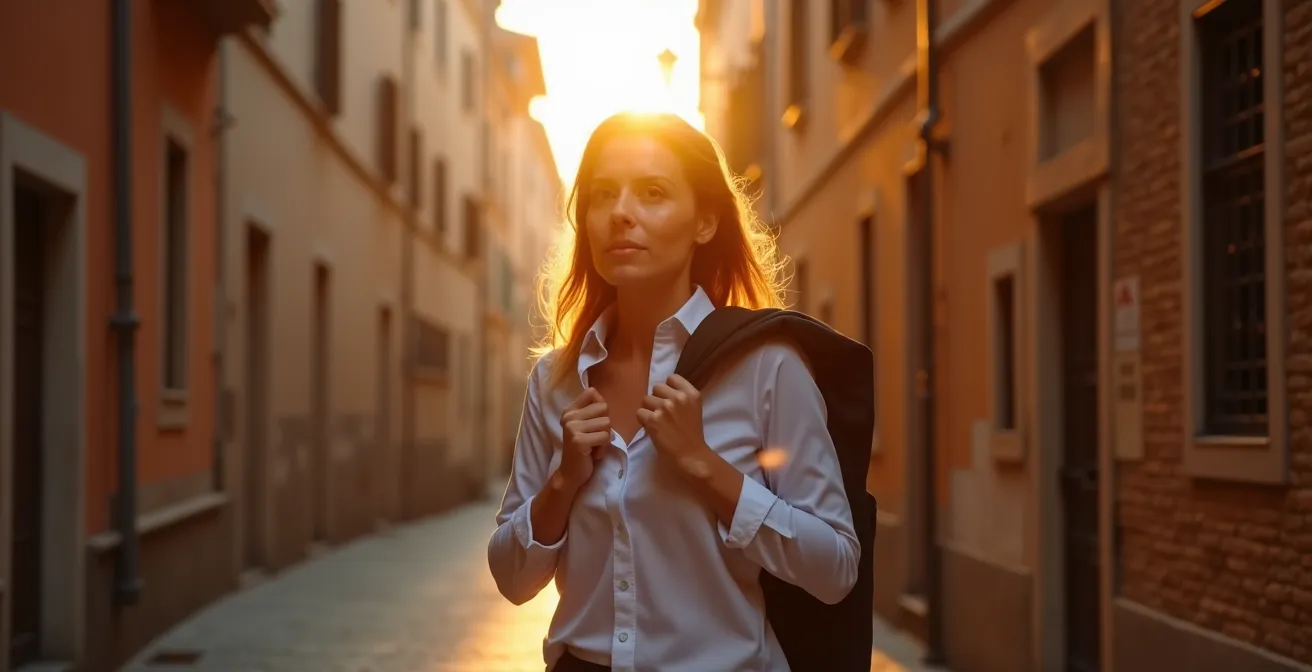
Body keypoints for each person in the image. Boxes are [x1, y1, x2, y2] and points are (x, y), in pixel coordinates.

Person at [487, 111, 859, 672]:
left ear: (704, 222)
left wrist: (704, 464)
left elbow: (835, 569)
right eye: (603, 194)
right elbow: (513, 580)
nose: (621, 214)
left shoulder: (766, 368)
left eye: (653, 193)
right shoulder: (556, 380)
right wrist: (562, 483)